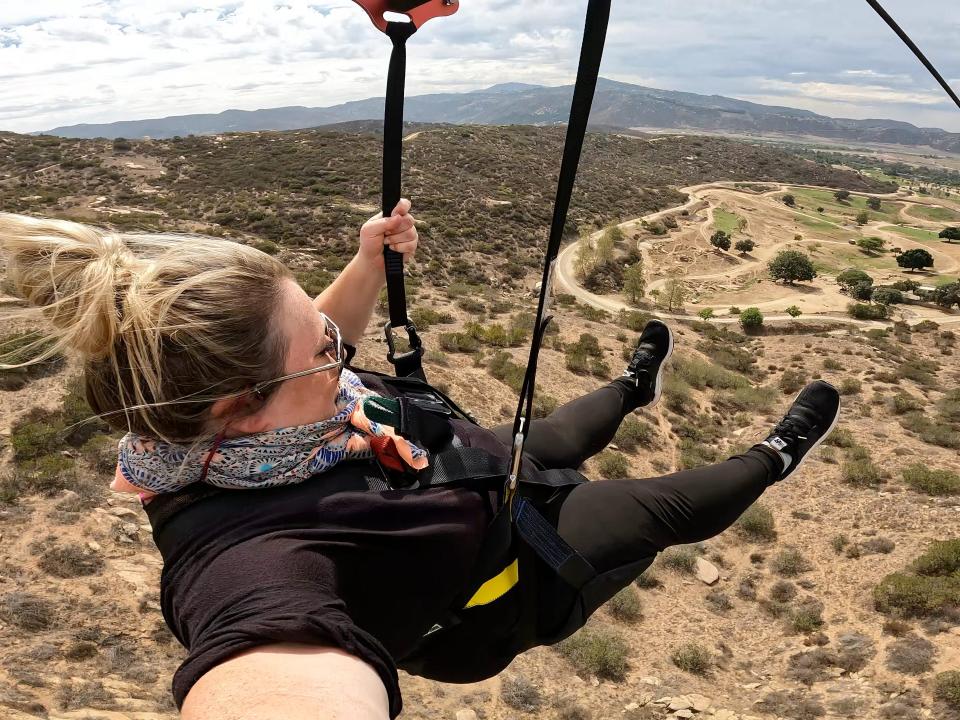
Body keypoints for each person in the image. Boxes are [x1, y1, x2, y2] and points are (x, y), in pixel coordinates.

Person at [0, 203, 840, 720]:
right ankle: (775, 456)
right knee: (653, 508)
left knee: (560, 436)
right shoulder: (250, 563)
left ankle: (631, 388)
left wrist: (368, 261)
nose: (342, 347)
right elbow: (271, 676)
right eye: (325, 350)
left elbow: (311, 331)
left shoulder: (236, 410)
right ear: (237, 403)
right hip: (505, 576)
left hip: (462, 470)